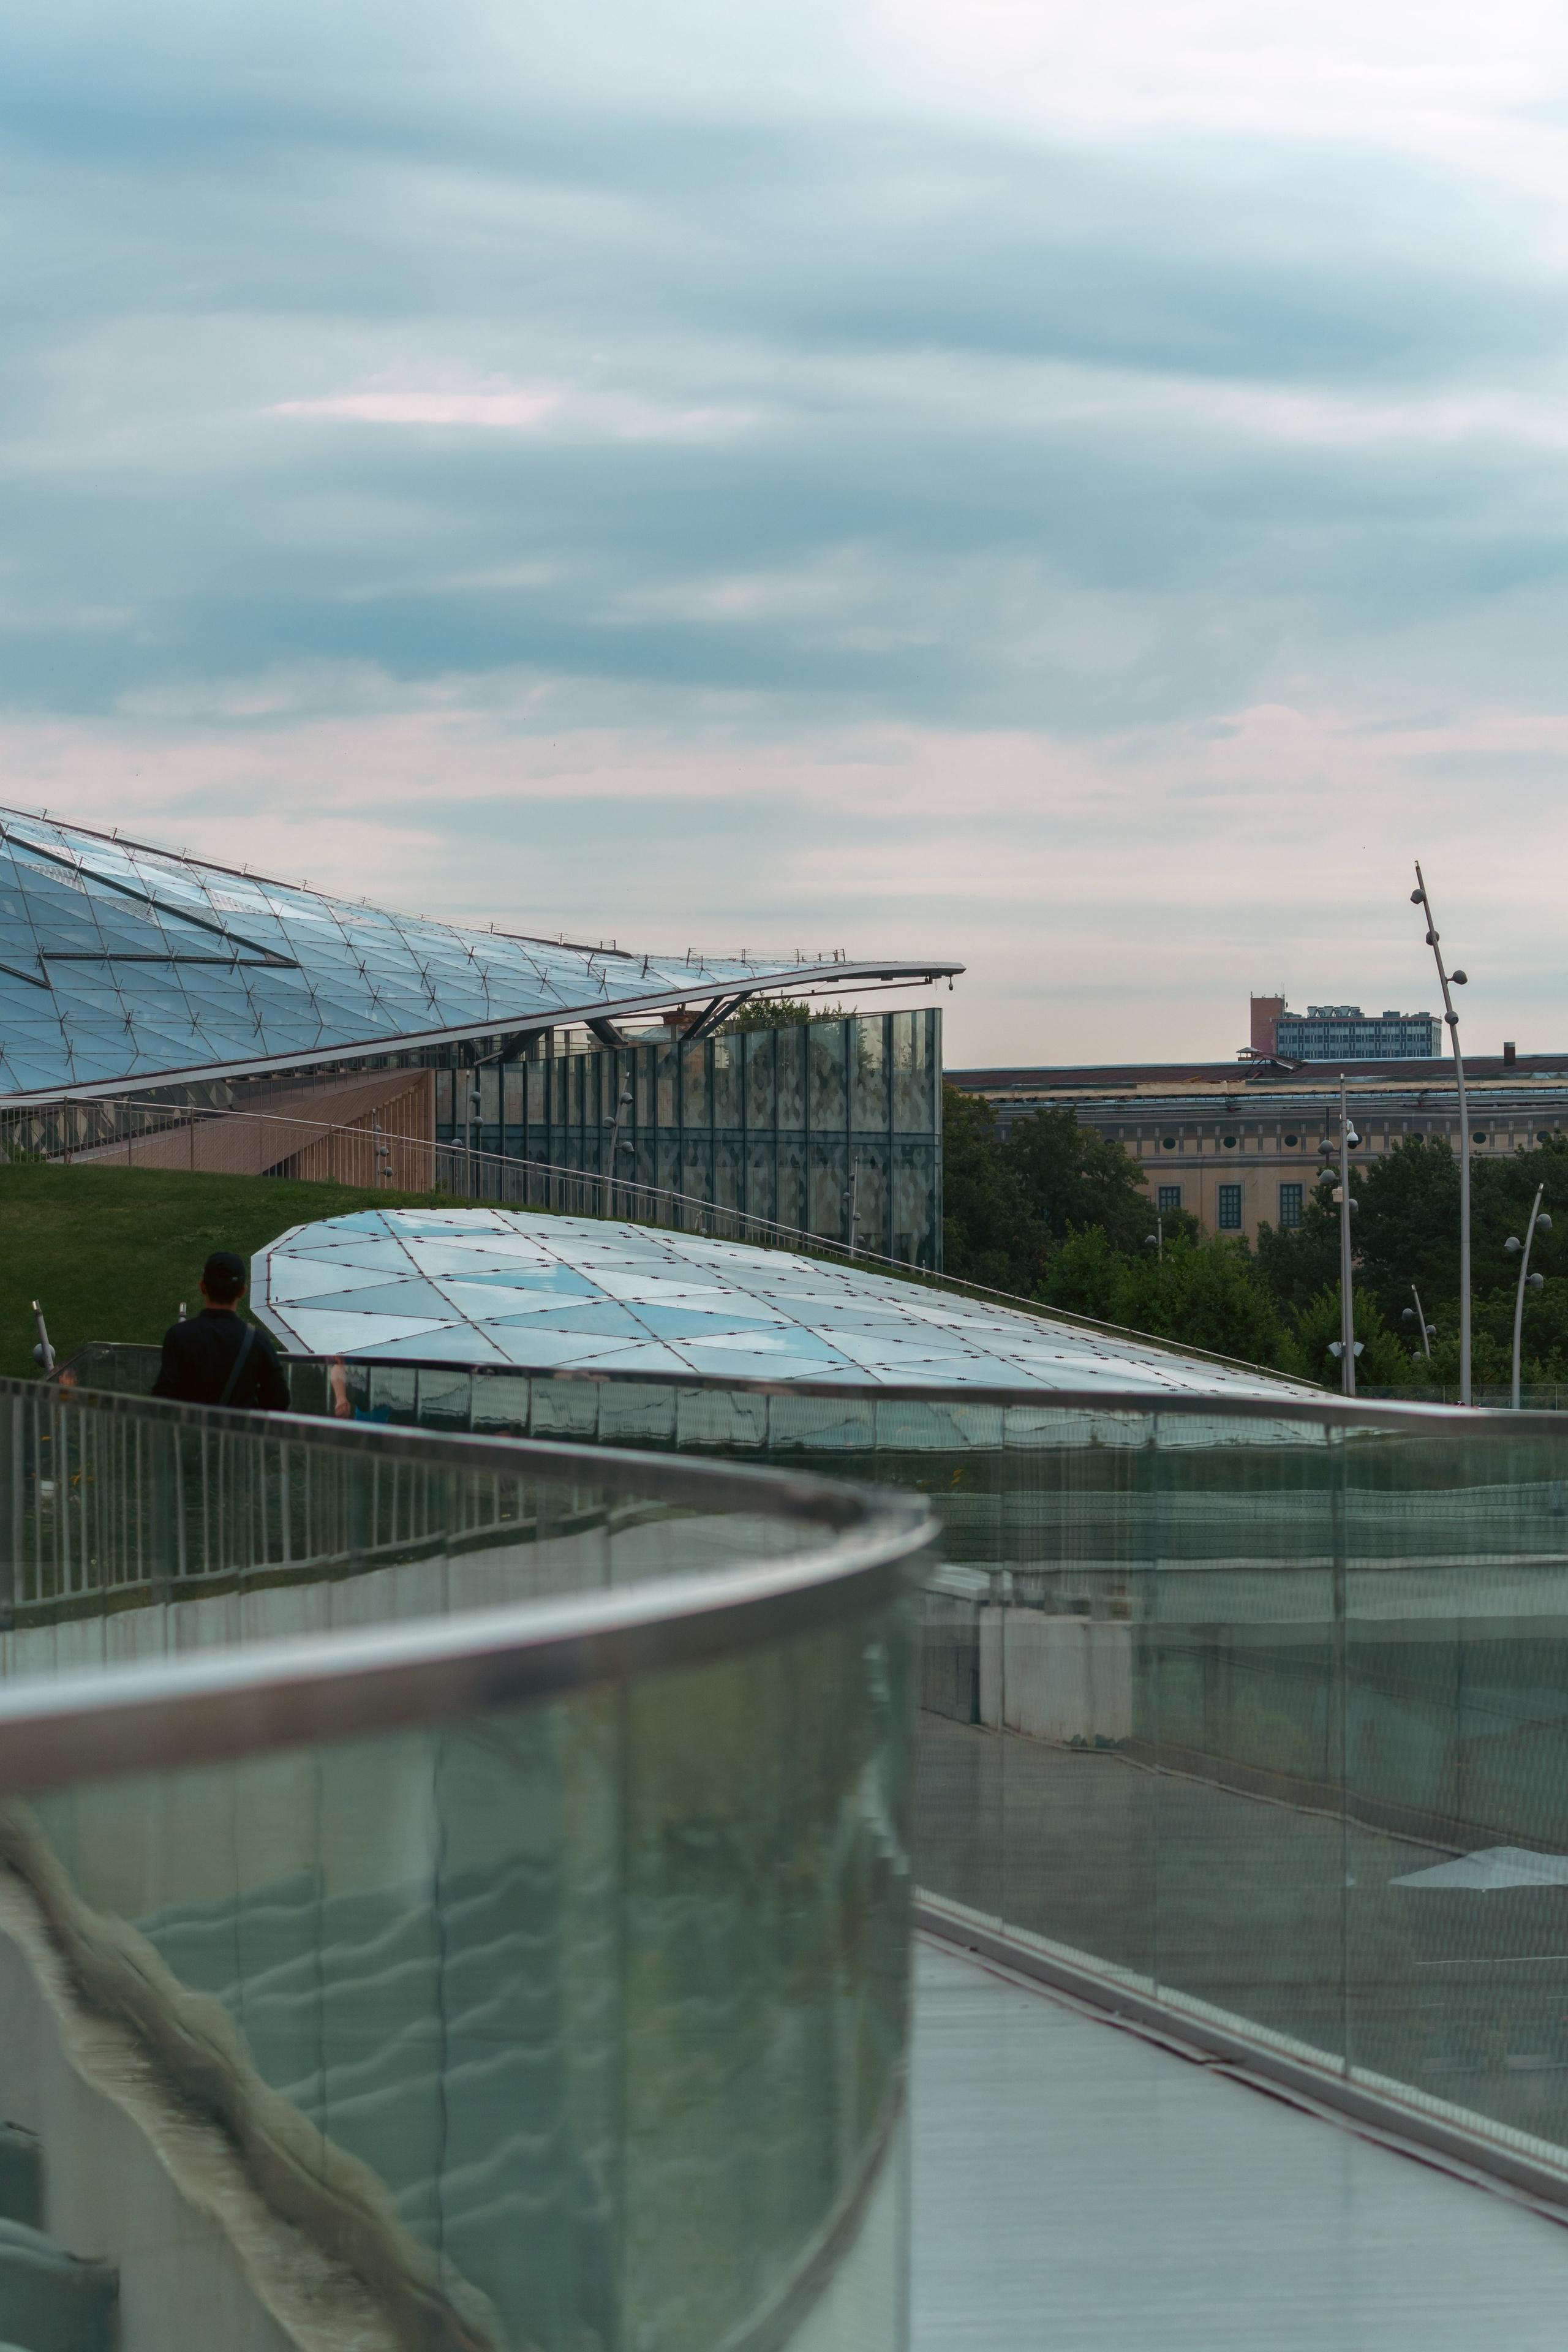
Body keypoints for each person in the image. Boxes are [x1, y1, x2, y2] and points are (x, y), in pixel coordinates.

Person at [152, 1251, 290, 1411]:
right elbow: (279, 1401)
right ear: (242, 1291)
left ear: (203, 1287)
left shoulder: (178, 1336)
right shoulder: (257, 1340)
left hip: (191, 1434)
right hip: (240, 1434)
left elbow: (163, 1398)